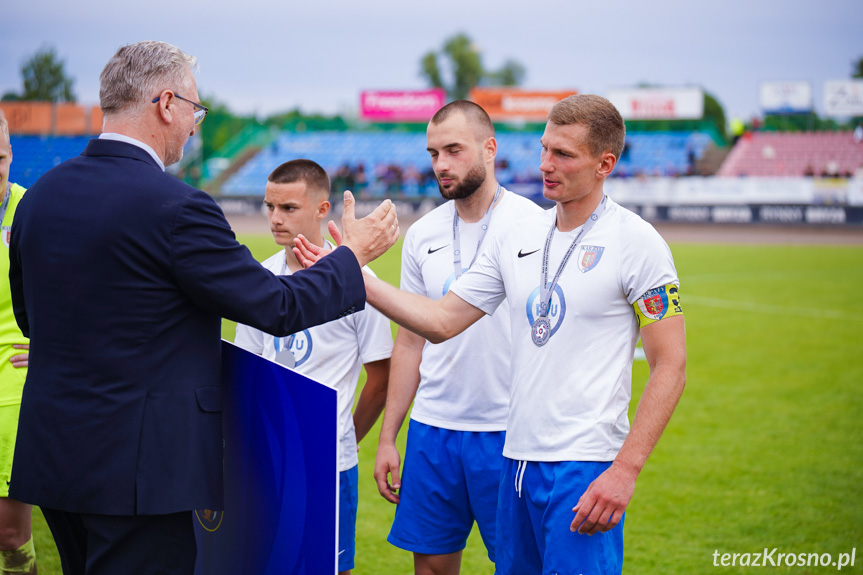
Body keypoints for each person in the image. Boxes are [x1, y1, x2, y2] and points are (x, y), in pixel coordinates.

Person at [8, 41, 398, 575]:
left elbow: (33, 319)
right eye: (195, 109)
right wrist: (351, 257)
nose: (195, 127)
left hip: (52, 459)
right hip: (140, 474)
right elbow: (277, 306)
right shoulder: (178, 207)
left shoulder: (40, 196)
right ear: (166, 103)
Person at [296, 94, 686, 575]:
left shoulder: (638, 242)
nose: (546, 164)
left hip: (584, 462)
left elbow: (671, 363)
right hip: (517, 459)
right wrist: (351, 271)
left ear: (605, 163)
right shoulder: (519, 237)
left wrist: (625, 469)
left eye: (563, 154)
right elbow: (440, 321)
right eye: (544, 149)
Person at [372, 100, 542, 575]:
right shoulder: (422, 233)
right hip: (433, 429)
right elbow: (409, 342)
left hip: (508, 432)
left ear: (490, 149)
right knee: (430, 567)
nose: (441, 165)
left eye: (453, 150)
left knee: (516, 565)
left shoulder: (533, 227)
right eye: (433, 154)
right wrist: (389, 437)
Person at [233, 159, 393, 575]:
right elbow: (246, 373)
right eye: (269, 207)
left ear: (323, 210)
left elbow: (381, 377)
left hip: (329, 463)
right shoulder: (260, 278)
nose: (274, 218)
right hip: (266, 458)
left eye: (288, 208)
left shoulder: (361, 281)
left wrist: (343, 437)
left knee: (327, 568)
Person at [0, 112, 36, 575]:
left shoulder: (33, 209)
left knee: (8, 533)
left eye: (1, 156)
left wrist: (54, 346)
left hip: (15, 375)